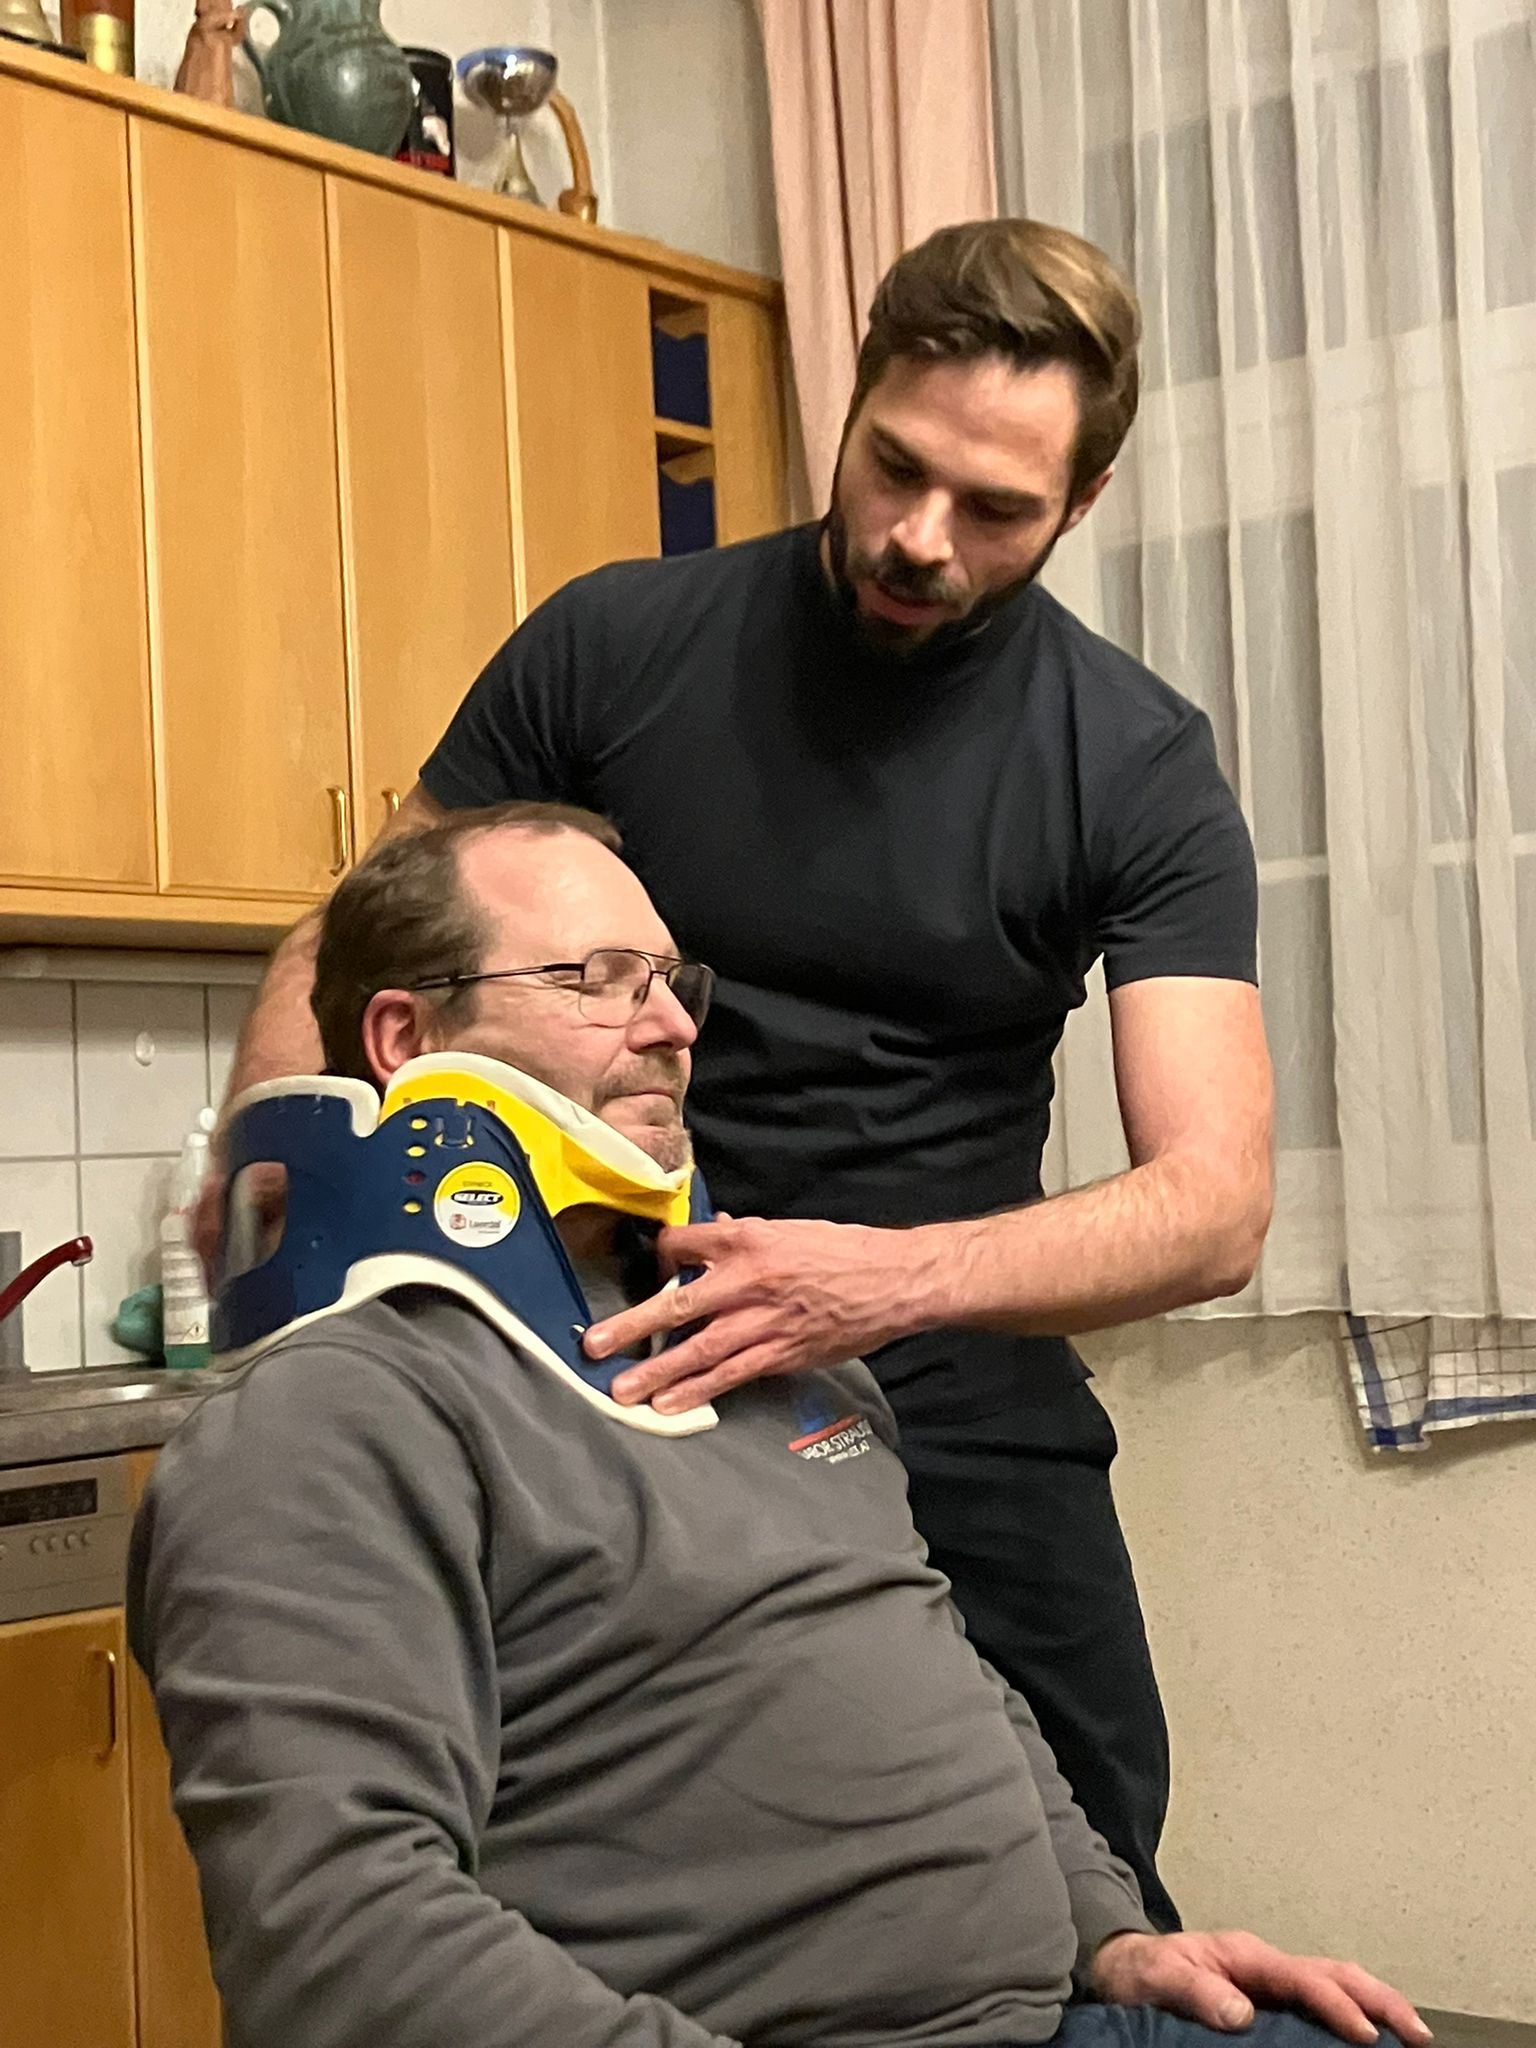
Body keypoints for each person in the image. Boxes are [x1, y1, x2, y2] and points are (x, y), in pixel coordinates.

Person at [217, 219, 1275, 1926]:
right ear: (849, 405)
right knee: (611, 1893)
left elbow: (1214, 1207)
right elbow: (341, 951)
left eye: (993, 509)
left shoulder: (1135, 761)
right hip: (597, 1359)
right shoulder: (614, 643)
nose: (919, 538)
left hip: (947, 1377)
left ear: (1080, 504)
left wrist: (872, 1283)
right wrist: (281, 1292)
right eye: (895, 467)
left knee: (1085, 1907)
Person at [136, 807, 1412, 2048]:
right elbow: (337, 1939)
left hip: (1059, 2011)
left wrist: (1113, 1935)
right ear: (404, 1034)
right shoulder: (332, 1415)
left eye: (670, 979)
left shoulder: (769, 1341)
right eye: (600, 978)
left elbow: (937, 1665)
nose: (674, 1024)